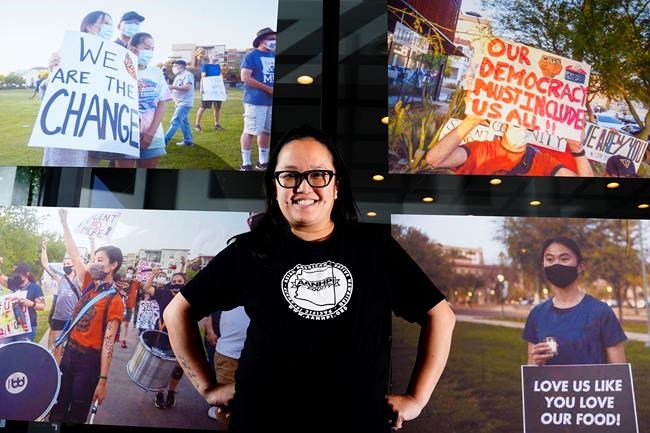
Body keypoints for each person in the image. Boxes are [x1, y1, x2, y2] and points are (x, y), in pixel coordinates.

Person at [164, 125, 456, 432]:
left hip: (357, 425)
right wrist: (207, 387)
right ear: (275, 186)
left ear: (336, 186)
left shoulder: (375, 249)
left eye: (318, 175)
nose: (303, 187)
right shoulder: (250, 252)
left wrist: (417, 398)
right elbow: (177, 313)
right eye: (290, 176)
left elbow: (440, 315)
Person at [49, 209, 125, 423]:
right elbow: (73, 253)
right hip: (69, 355)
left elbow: (109, 342)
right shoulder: (89, 284)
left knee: (77, 412)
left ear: (113, 265)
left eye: (100, 260)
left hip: (88, 363)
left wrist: (103, 380)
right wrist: (64, 223)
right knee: (58, 405)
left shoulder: (115, 301)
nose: (94, 263)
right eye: (93, 259)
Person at [524, 237, 627, 366]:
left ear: (580, 266)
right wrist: (536, 362)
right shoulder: (537, 314)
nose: (556, 264)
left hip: (591, 380)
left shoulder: (601, 312)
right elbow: (531, 367)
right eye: (549, 259)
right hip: (552, 380)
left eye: (564, 259)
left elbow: (619, 369)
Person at [43, 10, 115, 167]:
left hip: (94, 130)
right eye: (105, 23)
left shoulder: (111, 60)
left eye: (111, 25)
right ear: (89, 26)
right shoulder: (68, 51)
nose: (110, 28)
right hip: (68, 131)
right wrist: (53, 74)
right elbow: (50, 94)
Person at [425, 114, 595, 176]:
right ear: (505, 124)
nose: (522, 129)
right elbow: (434, 159)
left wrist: (577, 150)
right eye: (517, 124)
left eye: (528, 127)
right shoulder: (480, 150)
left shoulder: (543, 161)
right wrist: (471, 121)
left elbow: (584, 189)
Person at [115, 32, 171, 168]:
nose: (150, 52)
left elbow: (162, 103)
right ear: (132, 48)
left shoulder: (157, 73)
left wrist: (150, 133)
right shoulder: (118, 70)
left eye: (152, 49)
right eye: (146, 48)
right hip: (124, 135)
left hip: (152, 135)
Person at [144, 269, 187, 409]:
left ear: (185, 283)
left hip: (181, 338)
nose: (176, 283)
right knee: (162, 367)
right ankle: (159, 393)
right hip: (163, 336)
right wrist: (153, 274)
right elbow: (147, 288)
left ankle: (171, 392)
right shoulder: (164, 294)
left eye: (180, 281)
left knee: (178, 368)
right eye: (174, 281)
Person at [239, 28, 276, 171]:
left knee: (266, 131)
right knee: (249, 131)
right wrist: (268, 89)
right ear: (261, 40)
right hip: (255, 101)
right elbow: (245, 77)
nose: (274, 42)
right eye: (271, 39)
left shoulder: (273, 55)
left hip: (270, 101)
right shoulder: (251, 56)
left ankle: (263, 162)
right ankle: (246, 163)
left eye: (275, 39)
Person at [41, 238, 81, 362]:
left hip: (73, 319)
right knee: (57, 348)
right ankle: (57, 370)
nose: (66, 266)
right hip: (58, 318)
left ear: (74, 265)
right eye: (64, 264)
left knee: (71, 349)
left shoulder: (79, 280)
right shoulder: (59, 278)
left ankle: (67, 369)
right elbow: (45, 264)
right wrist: (44, 246)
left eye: (68, 264)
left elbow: (88, 264)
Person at [0, 261, 45, 342]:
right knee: (5, 348)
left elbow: (42, 306)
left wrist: (30, 303)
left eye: (20, 274)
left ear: (27, 274)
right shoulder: (13, 284)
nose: (17, 276)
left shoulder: (35, 288)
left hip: (28, 327)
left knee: (22, 349)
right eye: (16, 274)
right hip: (12, 326)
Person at [164, 60, 195, 147]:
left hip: (184, 103)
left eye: (175, 66)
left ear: (182, 66)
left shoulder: (187, 74)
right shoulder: (178, 76)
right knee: (184, 123)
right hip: (179, 103)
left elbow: (188, 87)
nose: (173, 68)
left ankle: (164, 140)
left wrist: (172, 86)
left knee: (175, 121)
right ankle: (188, 141)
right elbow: (175, 90)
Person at [195, 50, 225, 132]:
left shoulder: (218, 66)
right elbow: (203, 78)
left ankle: (216, 124)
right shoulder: (206, 66)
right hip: (208, 90)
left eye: (217, 55)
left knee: (217, 108)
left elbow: (220, 78)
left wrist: (223, 89)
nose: (217, 56)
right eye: (216, 54)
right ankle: (197, 125)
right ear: (210, 56)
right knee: (203, 107)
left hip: (217, 90)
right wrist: (201, 88)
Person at [117, 266, 141, 348]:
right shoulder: (120, 282)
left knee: (126, 323)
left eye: (131, 272)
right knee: (119, 322)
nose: (129, 274)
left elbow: (143, 285)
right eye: (128, 272)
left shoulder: (135, 282)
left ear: (133, 274)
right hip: (120, 305)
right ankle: (118, 336)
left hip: (129, 306)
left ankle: (123, 339)